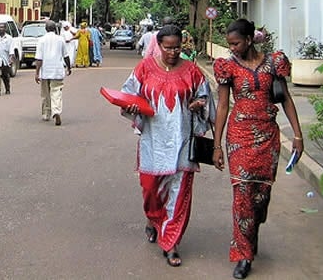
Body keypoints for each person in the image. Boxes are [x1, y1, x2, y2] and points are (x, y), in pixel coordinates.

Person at [212, 19, 304, 279]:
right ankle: (243, 255)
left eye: (236, 43)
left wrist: (297, 135)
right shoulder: (227, 66)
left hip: (267, 136)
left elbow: (285, 98)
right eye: (229, 44)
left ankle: (255, 222)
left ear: (250, 40)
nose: (232, 48)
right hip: (239, 136)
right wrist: (217, 145)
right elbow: (222, 106)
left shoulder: (274, 63)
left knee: (260, 197)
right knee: (242, 196)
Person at [121, 25, 216, 268]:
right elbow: (128, 95)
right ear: (159, 46)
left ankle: (171, 241)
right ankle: (153, 219)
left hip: (183, 141)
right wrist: (132, 106)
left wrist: (199, 104)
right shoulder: (144, 68)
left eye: (177, 47)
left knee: (179, 193)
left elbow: (206, 100)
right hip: (153, 141)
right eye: (168, 47)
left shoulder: (193, 71)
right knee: (150, 190)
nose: (173, 52)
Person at [34, 20, 71, 126]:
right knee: (56, 92)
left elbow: (39, 59)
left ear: (46, 29)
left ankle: (46, 114)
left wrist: (37, 73)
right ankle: (56, 111)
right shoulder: (60, 40)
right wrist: (69, 67)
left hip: (45, 71)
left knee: (45, 94)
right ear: (55, 29)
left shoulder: (41, 40)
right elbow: (66, 56)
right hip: (57, 71)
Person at [0, 22, 15, 96]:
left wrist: (11, 59)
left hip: (5, 59)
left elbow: (11, 50)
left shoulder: (9, 38)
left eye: (2, 27)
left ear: (5, 28)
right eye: (0, 27)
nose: (1, 29)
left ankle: (7, 88)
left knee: (5, 75)